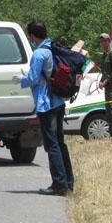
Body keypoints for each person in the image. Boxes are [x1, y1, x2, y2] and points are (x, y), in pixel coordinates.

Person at [20, 20, 74, 196]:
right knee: (59, 142)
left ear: (32, 35)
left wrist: (21, 80)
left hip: (46, 103)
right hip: (58, 101)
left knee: (51, 145)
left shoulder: (39, 54)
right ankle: (68, 181)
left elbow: (33, 79)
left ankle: (59, 184)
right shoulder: (52, 47)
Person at [98, 33, 112, 141]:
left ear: (109, 41)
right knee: (108, 113)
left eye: (104, 41)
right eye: (101, 41)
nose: (103, 43)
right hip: (107, 88)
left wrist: (106, 81)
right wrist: (101, 81)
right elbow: (104, 72)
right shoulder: (104, 55)